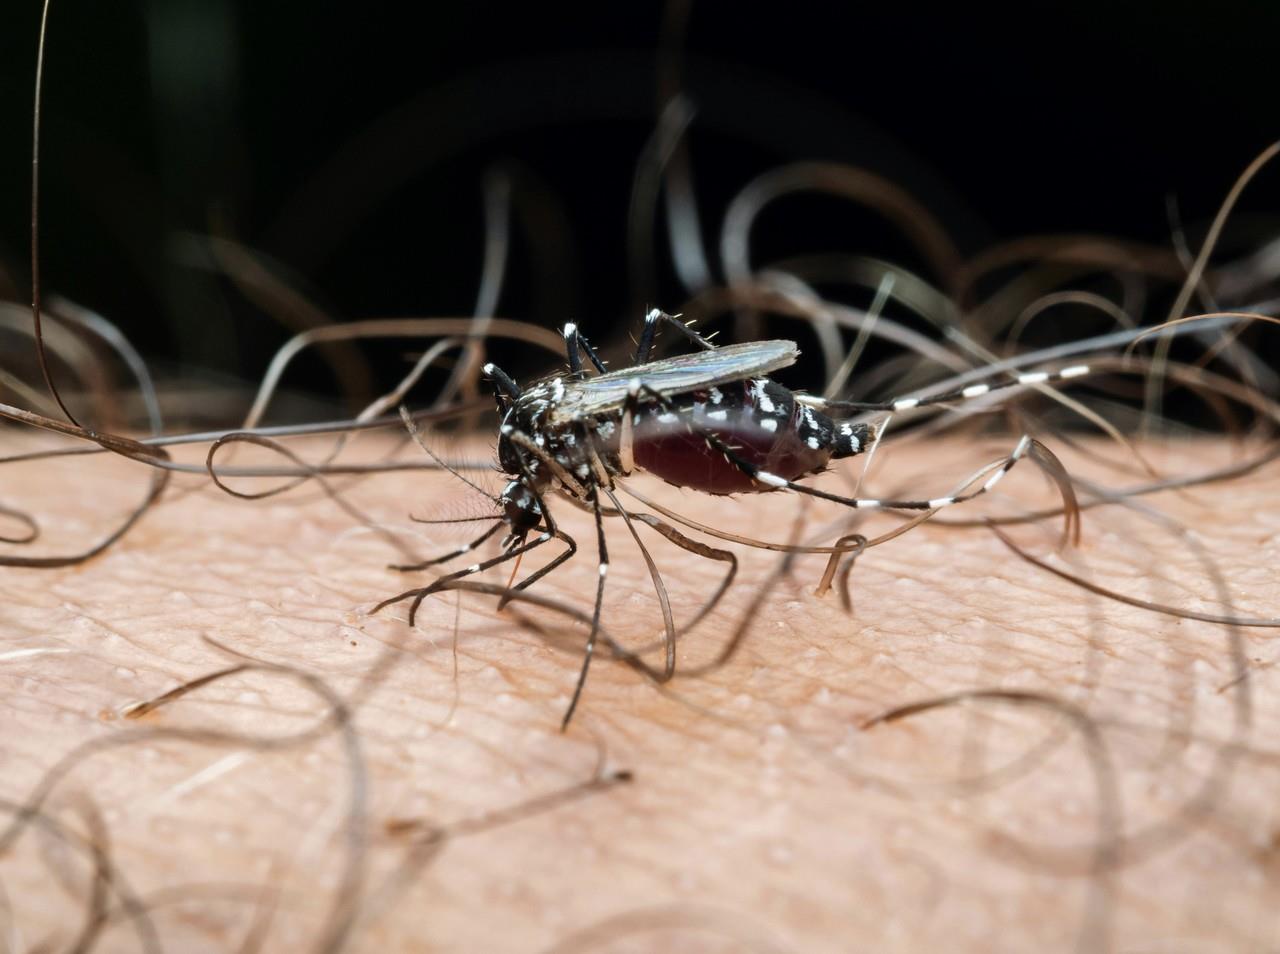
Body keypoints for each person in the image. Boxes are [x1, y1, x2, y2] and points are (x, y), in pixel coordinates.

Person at [1, 424, 1273, 952]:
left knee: (599, 524)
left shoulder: (565, 467)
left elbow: (565, 521)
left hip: (698, 428)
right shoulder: (552, 450)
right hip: (662, 426)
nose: (519, 524)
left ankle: (784, 439)